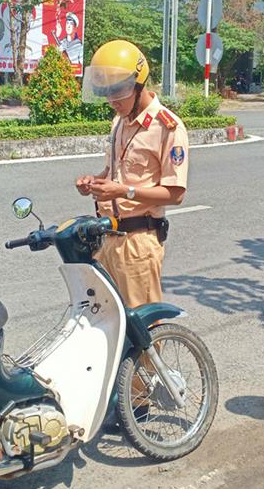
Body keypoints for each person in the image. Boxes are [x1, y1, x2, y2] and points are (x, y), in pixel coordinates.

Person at [75, 40, 188, 307]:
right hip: (108, 239)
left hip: (138, 242)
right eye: (107, 93)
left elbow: (176, 194)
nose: (112, 101)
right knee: (107, 320)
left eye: (119, 92)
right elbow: (114, 171)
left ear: (139, 85)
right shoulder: (119, 122)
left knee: (143, 327)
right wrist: (94, 181)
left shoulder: (167, 127)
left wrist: (124, 191)